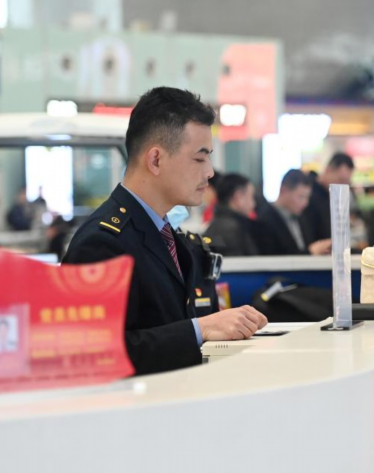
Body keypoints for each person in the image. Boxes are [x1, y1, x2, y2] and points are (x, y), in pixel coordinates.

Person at [63, 87, 267, 376]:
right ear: (156, 160)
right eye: (200, 158)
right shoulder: (102, 242)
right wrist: (200, 329)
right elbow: (95, 353)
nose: (210, 172)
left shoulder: (167, 234)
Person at [257, 169, 331, 256]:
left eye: (307, 197)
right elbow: (274, 257)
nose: (305, 203)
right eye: (301, 197)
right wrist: (310, 252)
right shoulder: (265, 220)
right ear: (283, 190)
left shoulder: (302, 218)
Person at [301, 152, 354, 242]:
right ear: (328, 170)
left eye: (347, 183)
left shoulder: (332, 196)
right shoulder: (308, 193)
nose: (342, 186)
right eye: (341, 180)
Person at [204, 173, 260, 256]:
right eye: (251, 197)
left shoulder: (219, 224)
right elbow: (240, 263)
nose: (253, 204)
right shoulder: (231, 230)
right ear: (238, 197)